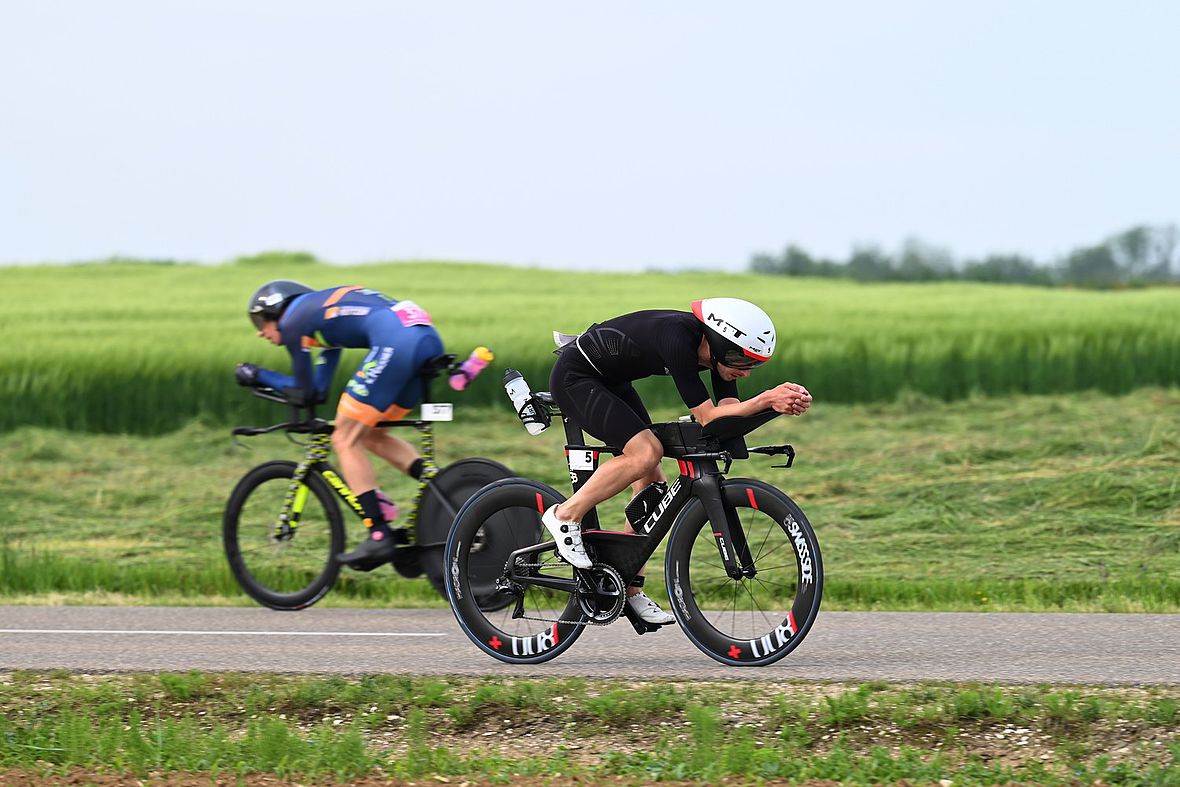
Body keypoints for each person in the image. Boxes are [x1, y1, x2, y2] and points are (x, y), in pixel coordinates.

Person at [544, 298, 812, 625]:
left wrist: (776, 407)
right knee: (645, 453)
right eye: (740, 359)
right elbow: (708, 416)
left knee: (652, 483)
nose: (744, 370)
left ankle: (626, 586)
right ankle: (565, 515)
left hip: (612, 382)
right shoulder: (678, 339)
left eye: (753, 363)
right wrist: (766, 398)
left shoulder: (720, 357)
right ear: (716, 342)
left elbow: (727, 417)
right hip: (577, 377)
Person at [235, 280, 444, 571]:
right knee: (371, 435)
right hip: (426, 340)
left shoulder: (294, 320)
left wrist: (258, 374)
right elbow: (318, 390)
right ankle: (448, 493)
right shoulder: (317, 319)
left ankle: (379, 532)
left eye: (260, 321)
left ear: (276, 312)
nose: (260, 332)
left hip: (397, 345)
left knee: (344, 439)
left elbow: (305, 392)